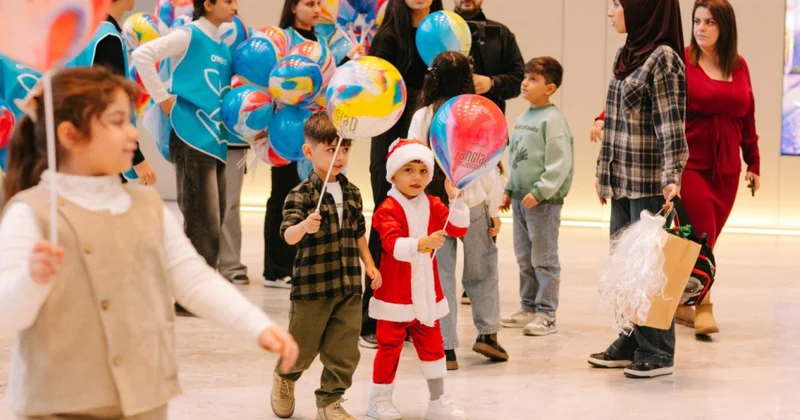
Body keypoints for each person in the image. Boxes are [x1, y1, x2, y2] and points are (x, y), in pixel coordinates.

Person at [0, 66, 298, 420]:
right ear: (69, 135)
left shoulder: (146, 205)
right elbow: (7, 316)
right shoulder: (31, 212)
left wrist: (256, 325)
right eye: (117, 121)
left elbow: (193, 279)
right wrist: (32, 280)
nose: (132, 132)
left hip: (143, 398)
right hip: (56, 404)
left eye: (131, 119)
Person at [587, 0, 688, 379]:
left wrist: (671, 176)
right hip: (622, 182)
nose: (610, 12)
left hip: (649, 185)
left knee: (651, 272)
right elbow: (613, 117)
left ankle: (658, 350)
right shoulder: (627, 53)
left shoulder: (664, 59)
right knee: (625, 271)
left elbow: (670, 125)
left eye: (616, 4)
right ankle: (631, 339)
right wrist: (603, 172)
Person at [270, 113, 380, 420]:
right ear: (310, 152)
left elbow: (359, 233)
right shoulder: (301, 194)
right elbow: (288, 236)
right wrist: (305, 225)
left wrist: (369, 266)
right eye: (331, 150)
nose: (340, 156)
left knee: (343, 351)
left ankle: (330, 401)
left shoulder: (353, 192)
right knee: (302, 347)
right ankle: (284, 378)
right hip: (313, 286)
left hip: (348, 285)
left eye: (345, 149)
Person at [132, 0, 236, 309]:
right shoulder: (188, 35)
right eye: (229, 1)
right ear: (208, 4)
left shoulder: (223, 45)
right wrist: (162, 99)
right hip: (191, 135)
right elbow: (142, 55)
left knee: (213, 219)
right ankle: (190, 298)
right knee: (201, 219)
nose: (235, 7)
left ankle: (201, 292)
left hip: (214, 138)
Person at [408, 51, 507, 371]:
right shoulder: (476, 112)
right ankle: (487, 334)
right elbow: (490, 164)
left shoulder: (422, 116)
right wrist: (494, 208)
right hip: (474, 202)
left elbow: (412, 161)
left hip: (435, 208)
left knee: (441, 275)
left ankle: (445, 346)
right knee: (483, 270)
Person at [671, 0, 760, 337]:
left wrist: (754, 161)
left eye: (709, 22)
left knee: (705, 239)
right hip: (691, 163)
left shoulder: (739, 65)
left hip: (726, 170)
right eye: (697, 21)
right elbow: (649, 93)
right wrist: (604, 117)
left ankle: (682, 302)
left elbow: (747, 115)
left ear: (725, 28)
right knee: (701, 234)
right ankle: (704, 305)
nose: (701, 28)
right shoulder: (682, 59)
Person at [263, 0, 364, 289]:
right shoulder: (283, 40)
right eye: (309, 3)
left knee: (312, 197)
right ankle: (275, 268)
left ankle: (300, 263)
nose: (317, 8)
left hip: (317, 131)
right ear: (293, 7)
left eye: (319, 3)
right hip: (287, 129)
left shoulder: (322, 42)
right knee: (281, 195)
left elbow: (329, 81)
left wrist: (349, 63)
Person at [361, 0, 444, 349]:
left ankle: (415, 314)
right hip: (391, 134)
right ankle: (373, 316)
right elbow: (375, 87)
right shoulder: (390, 35)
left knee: (425, 223)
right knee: (388, 220)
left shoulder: (445, 30)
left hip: (429, 133)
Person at [499, 56, 574, 338]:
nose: (525, 83)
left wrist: (541, 190)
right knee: (524, 256)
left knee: (544, 259)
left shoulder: (553, 121)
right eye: (525, 77)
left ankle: (546, 313)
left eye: (533, 79)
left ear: (550, 88)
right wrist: (509, 190)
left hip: (542, 202)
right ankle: (528, 306)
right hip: (520, 199)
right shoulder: (523, 117)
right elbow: (517, 157)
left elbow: (559, 162)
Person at [64, 0, 158, 186]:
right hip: (101, 149)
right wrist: (137, 159)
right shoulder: (108, 38)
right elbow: (109, 105)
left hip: (78, 146)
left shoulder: (83, 33)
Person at [452, 0, 524, 114]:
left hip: (490, 121)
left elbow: (519, 80)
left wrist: (492, 83)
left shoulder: (501, 34)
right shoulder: (437, 33)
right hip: (446, 120)